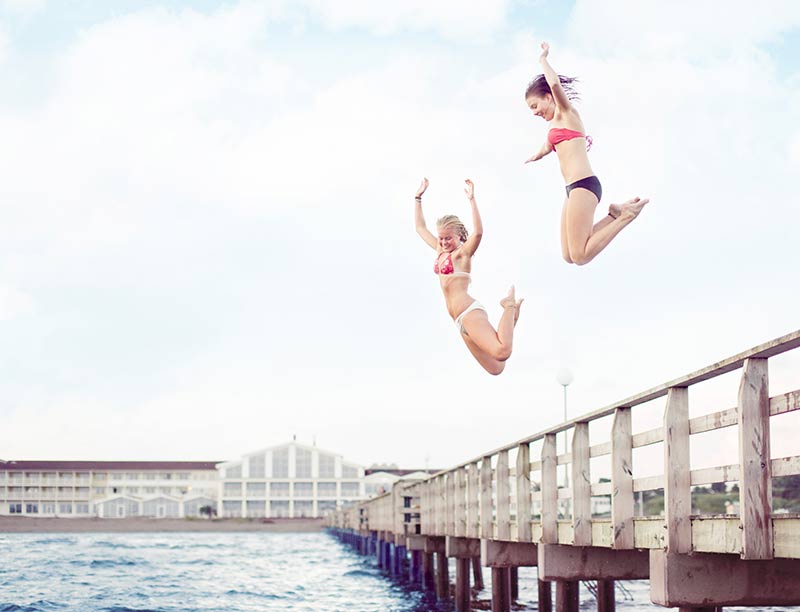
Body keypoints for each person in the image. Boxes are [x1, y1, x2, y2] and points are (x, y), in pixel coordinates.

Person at [525, 42, 649, 265]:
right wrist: (537, 155)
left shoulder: (567, 113)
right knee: (568, 255)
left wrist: (542, 59)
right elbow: (548, 146)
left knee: (581, 255)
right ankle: (614, 214)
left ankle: (626, 217)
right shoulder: (554, 125)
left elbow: (553, 84)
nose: (534, 113)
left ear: (548, 97)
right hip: (572, 189)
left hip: (584, 184)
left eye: (535, 106)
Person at [414, 177, 522, 375]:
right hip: (458, 321)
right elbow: (420, 228)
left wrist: (472, 200)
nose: (444, 242)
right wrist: (418, 198)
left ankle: (508, 305)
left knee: (502, 351)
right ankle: (510, 320)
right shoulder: (440, 251)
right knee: (497, 368)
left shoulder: (463, 254)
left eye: (448, 238)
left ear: (459, 237)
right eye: (441, 238)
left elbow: (479, 233)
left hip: (469, 312)